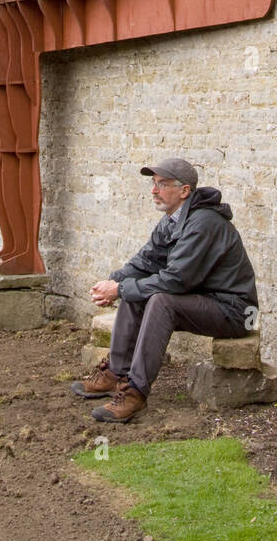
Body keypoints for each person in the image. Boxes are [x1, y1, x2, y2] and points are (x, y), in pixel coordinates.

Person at [71, 157, 258, 422]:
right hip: (202, 301)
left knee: (159, 300)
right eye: (153, 183)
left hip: (233, 311)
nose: (154, 190)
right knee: (135, 290)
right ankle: (116, 373)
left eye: (162, 184)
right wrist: (111, 283)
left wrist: (121, 289)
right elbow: (145, 262)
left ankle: (135, 393)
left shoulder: (203, 223)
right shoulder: (173, 219)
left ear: (184, 191)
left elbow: (176, 280)